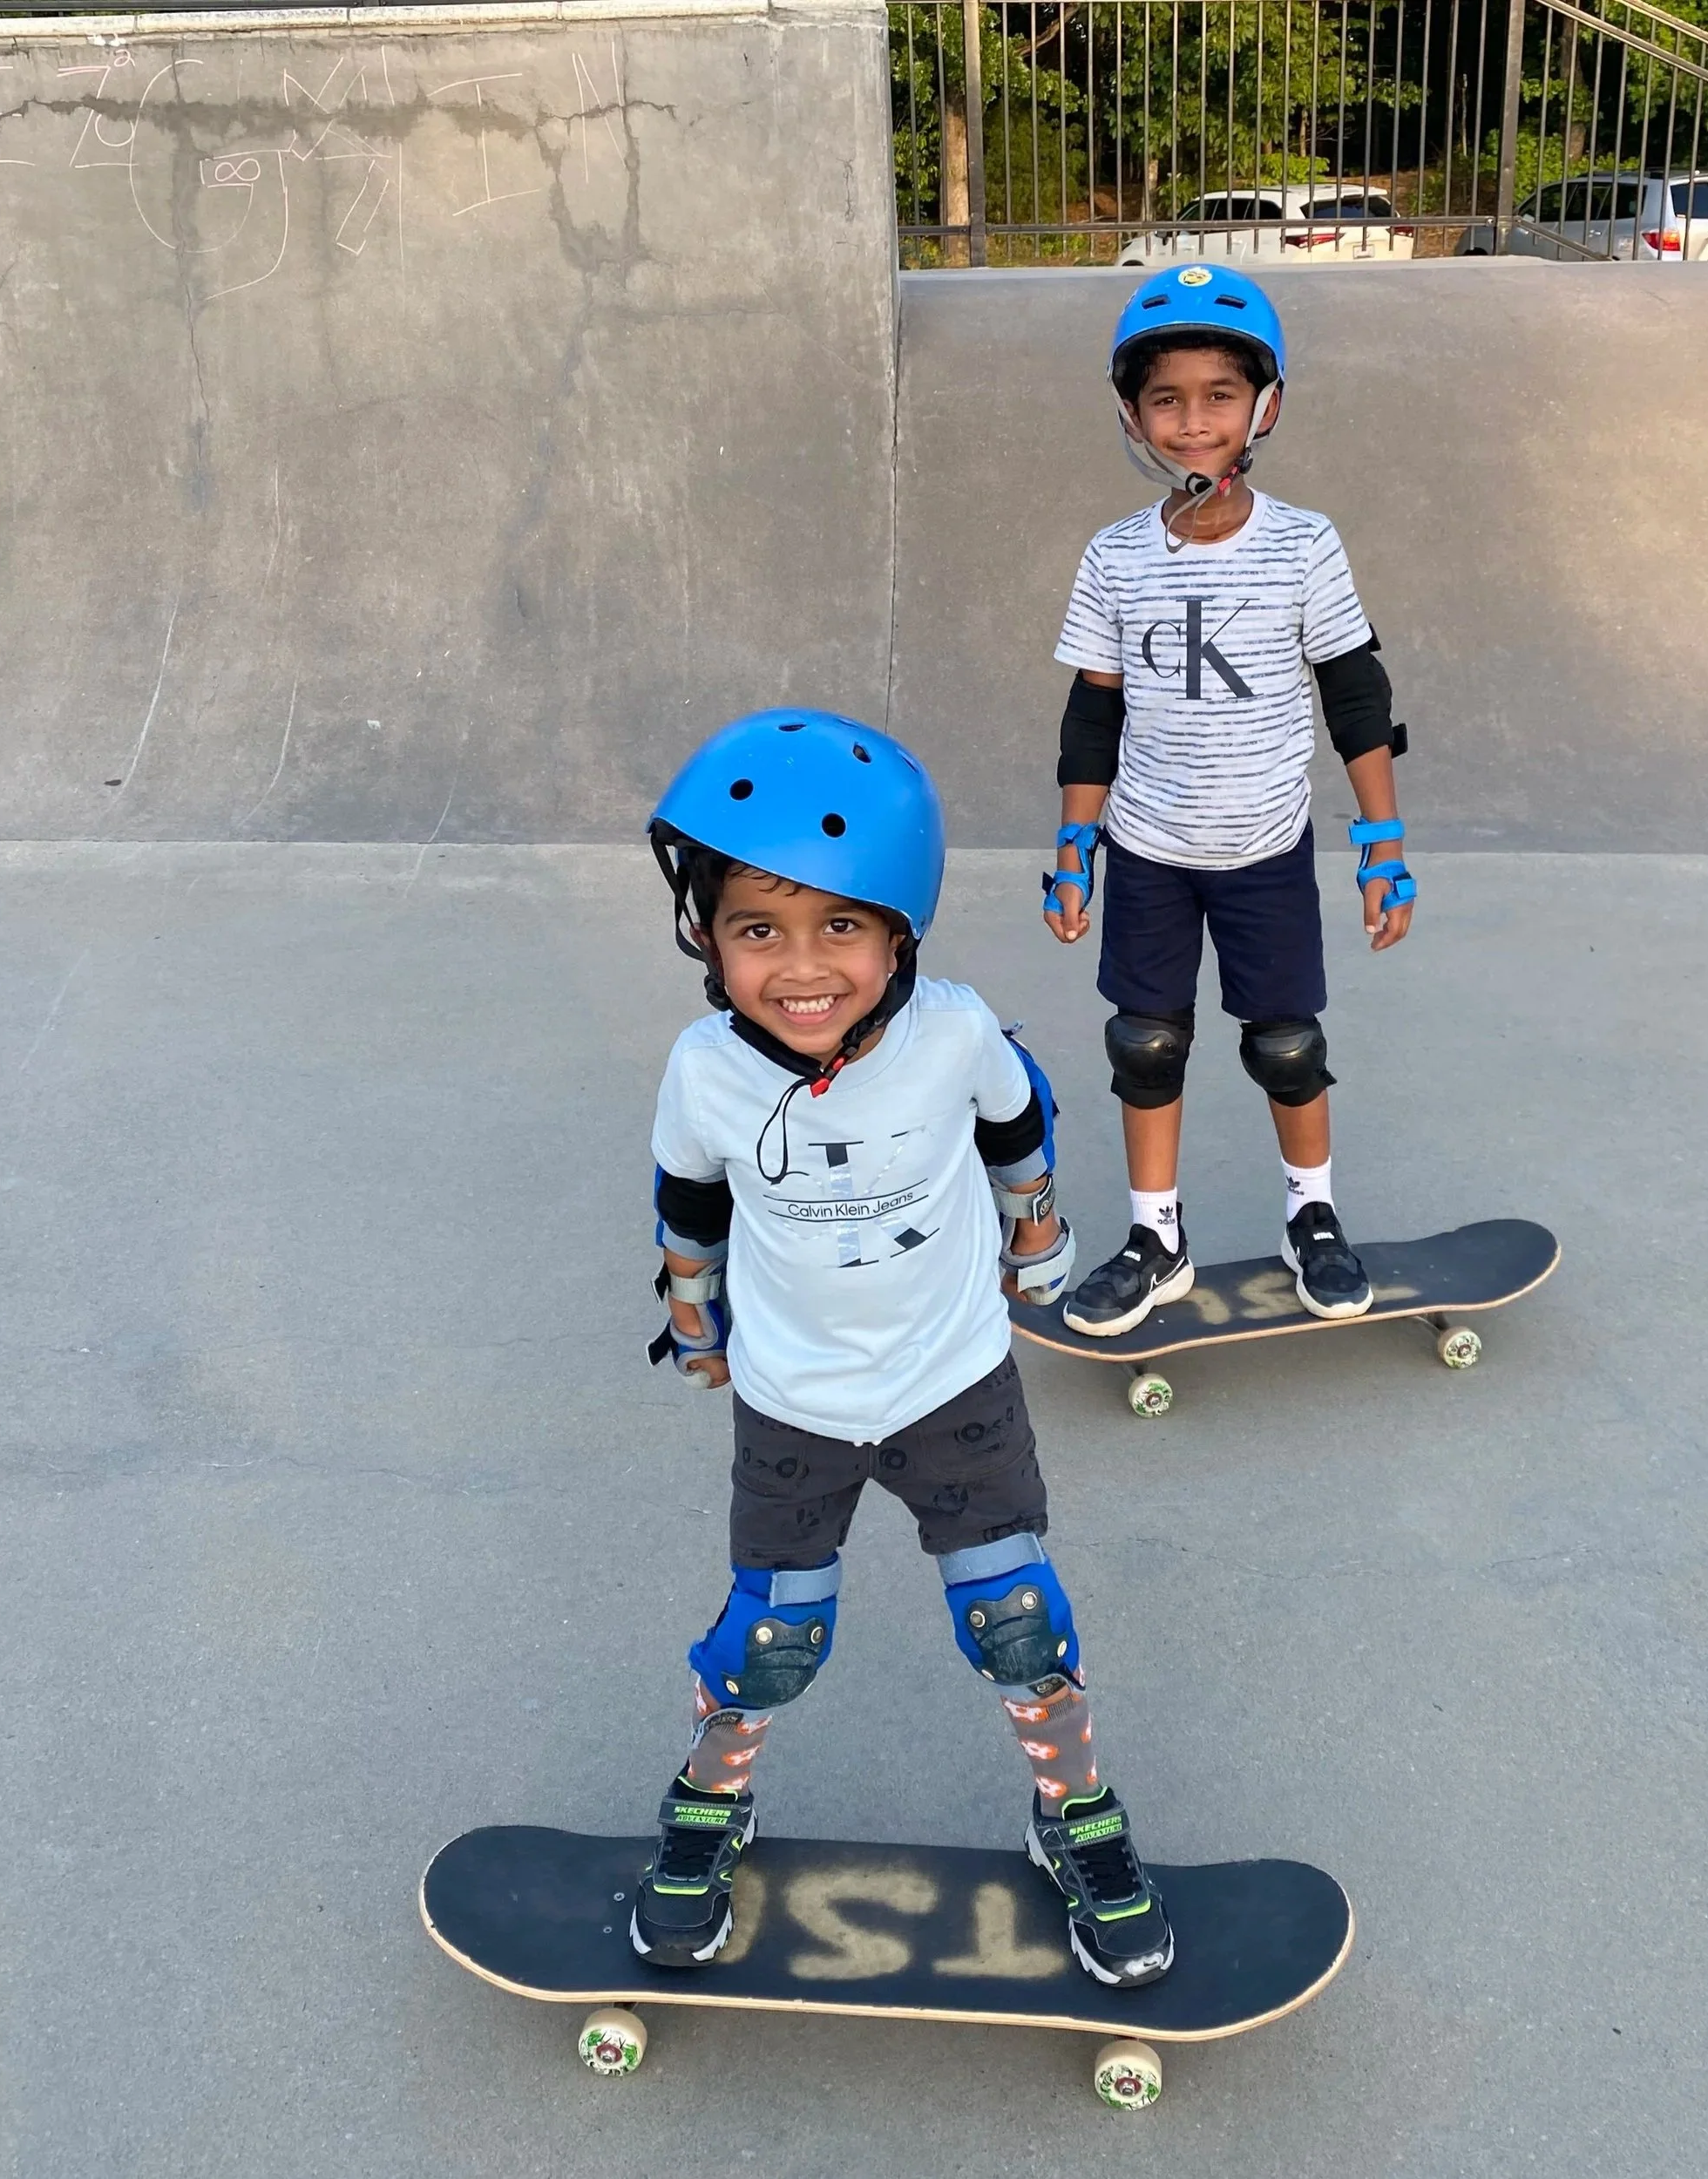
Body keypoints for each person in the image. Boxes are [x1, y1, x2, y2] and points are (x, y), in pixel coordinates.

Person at [634, 708, 1175, 1990]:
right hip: (793, 1407)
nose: (802, 967)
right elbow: (689, 1201)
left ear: (899, 936)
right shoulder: (706, 1069)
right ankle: (712, 1802)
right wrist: (692, 1316)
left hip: (951, 1388)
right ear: (706, 934)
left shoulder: (952, 1030)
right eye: (759, 929)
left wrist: (1038, 1233)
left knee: (1022, 1624)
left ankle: (1072, 1813)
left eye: (841, 928)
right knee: (771, 1640)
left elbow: (1017, 1119)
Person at [1042, 264, 1417, 1336]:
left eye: (1217, 394)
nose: (1191, 419)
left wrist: (1379, 839)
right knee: (1145, 1042)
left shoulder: (1303, 543)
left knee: (1286, 1042)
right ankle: (1155, 1236)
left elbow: (1355, 692)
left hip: (1264, 843)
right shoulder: (1114, 556)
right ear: (1132, 412)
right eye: (1167, 397)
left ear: (1264, 407)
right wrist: (1076, 846)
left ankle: (1314, 1215)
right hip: (1149, 845)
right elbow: (1091, 715)